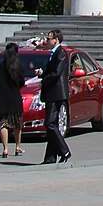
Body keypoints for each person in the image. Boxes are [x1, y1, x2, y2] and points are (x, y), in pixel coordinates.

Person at [0, 41, 26, 158]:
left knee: (3, 123)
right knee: (17, 123)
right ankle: (18, 147)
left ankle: (5, 149)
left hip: (1, 98)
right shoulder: (17, 68)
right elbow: (22, 82)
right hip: (14, 98)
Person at [39, 31, 71, 165]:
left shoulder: (61, 53)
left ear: (56, 40)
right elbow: (50, 70)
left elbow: (56, 73)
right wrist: (41, 72)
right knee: (52, 124)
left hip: (56, 93)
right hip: (52, 92)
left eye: (49, 38)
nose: (47, 40)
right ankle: (50, 157)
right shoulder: (53, 53)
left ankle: (64, 150)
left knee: (50, 124)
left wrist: (43, 80)